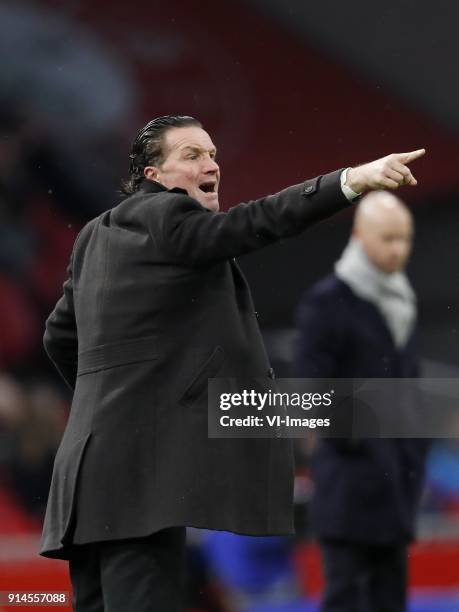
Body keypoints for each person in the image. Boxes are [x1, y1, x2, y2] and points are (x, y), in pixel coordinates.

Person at [40, 113, 425, 612]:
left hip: (87, 475)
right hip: (141, 483)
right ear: (153, 176)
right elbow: (258, 222)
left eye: (214, 154)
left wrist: (110, 401)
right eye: (192, 155)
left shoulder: (93, 236)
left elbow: (57, 335)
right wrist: (351, 181)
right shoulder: (168, 216)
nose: (212, 164)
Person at [294, 191, 429, 612]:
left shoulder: (400, 300)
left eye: (403, 239)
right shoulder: (327, 301)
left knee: (391, 600)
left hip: (397, 487)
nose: (397, 249)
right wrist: (355, 441)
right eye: (387, 238)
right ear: (359, 236)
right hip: (350, 487)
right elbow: (311, 388)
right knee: (346, 600)